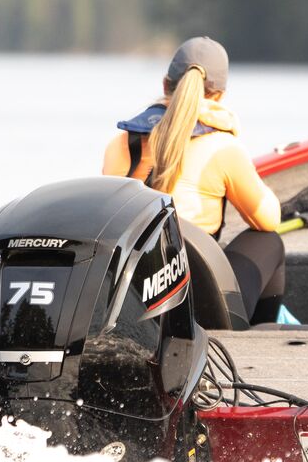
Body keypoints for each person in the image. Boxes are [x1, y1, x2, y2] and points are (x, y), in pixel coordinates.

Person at [102, 36, 288, 323]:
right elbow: (268, 219)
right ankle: (261, 336)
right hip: (200, 312)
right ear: (220, 96)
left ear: (165, 85)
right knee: (268, 241)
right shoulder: (224, 148)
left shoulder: (123, 143)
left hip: (135, 305)